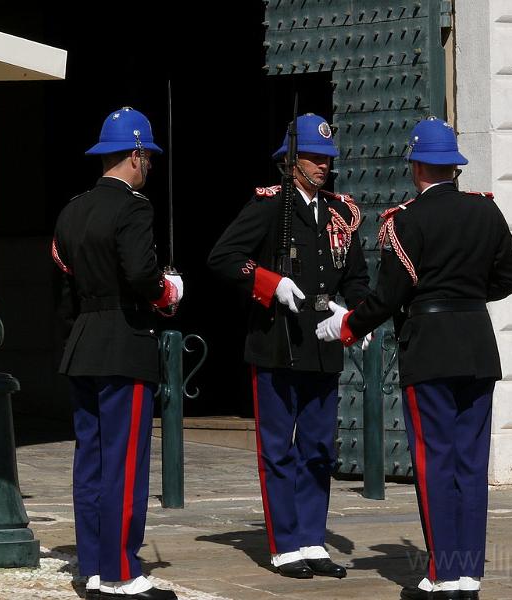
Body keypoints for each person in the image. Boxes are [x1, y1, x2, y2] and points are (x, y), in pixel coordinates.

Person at [316, 117, 512, 600]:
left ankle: (443, 574)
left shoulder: (405, 221)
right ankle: (468, 574)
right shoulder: (486, 211)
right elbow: (511, 278)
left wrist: (347, 325)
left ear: (416, 167)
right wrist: (466, 297)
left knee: (435, 463)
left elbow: (389, 296)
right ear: (454, 166)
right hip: (477, 346)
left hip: (430, 348)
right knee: (470, 464)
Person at [208, 113, 370, 579]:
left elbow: (356, 275)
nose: (323, 165)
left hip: (323, 341)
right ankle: (285, 546)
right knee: (279, 450)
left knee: (318, 449)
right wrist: (269, 282)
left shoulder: (340, 212)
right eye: (314, 158)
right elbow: (224, 257)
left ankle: (312, 540)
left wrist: (355, 314)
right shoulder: (269, 205)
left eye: (327, 158)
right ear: (291, 161)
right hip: (277, 341)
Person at [52, 107, 182, 600]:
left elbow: (65, 291)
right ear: (135, 155)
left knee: (90, 463)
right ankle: (121, 572)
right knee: (124, 464)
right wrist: (169, 291)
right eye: (148, 157)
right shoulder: (134, 208)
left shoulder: (72, 210)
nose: (149, 165)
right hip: (125, 344)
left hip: (83, 345)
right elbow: (141, 274)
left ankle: (92, 565)